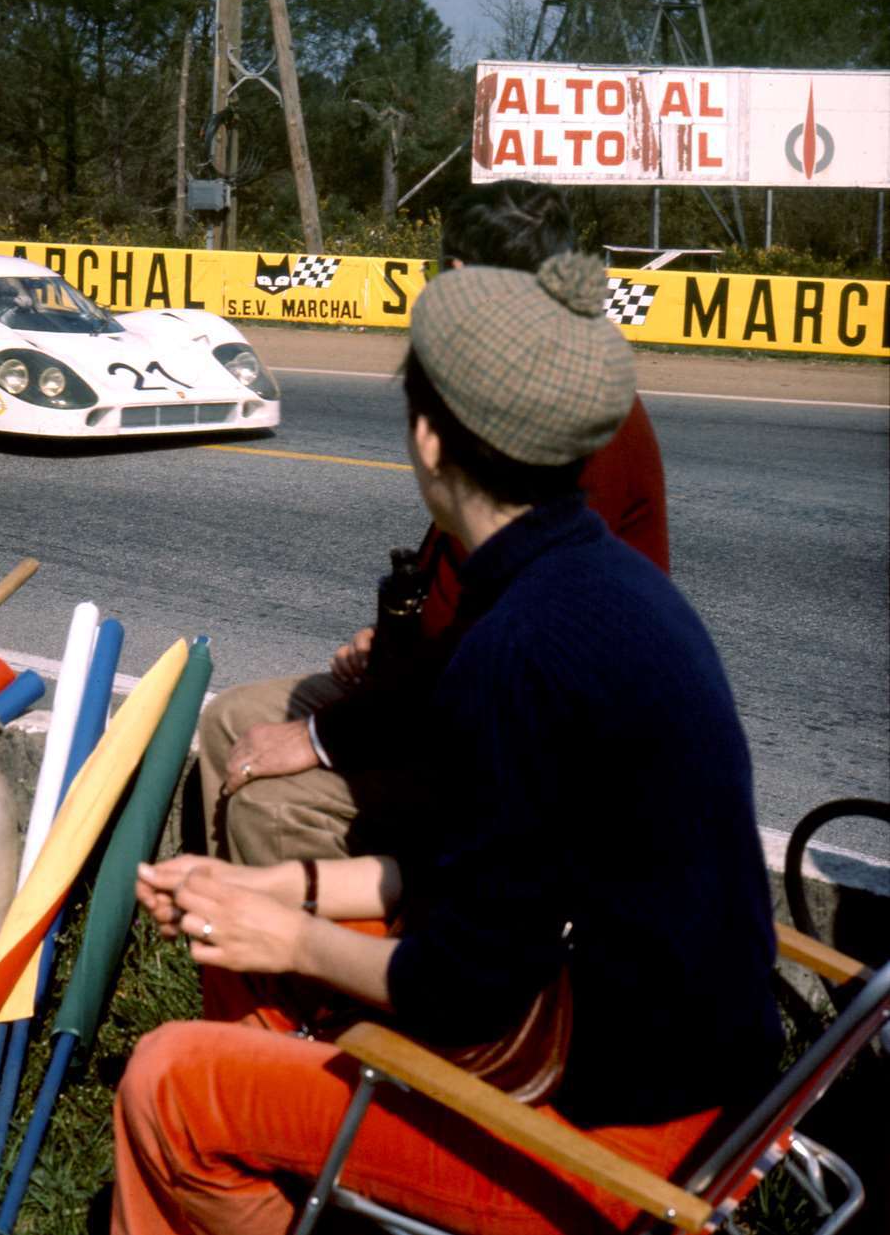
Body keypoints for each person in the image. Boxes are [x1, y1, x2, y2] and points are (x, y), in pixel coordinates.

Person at [111, 251, 783, 1235]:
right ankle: (304, 1156)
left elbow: (466, 985)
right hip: (676, 1063)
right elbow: (473, 879)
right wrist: (274, 892)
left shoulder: (513, 649)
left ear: (430, 437)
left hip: (613, 1136)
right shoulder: (603, 586)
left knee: (165, 1081)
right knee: (236, 961)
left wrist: (292, 932)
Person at [194, 180, 669, 866]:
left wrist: (324, 738)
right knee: (229, 720)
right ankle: (232, 947)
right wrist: (394, 640)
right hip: (466, 692)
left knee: (273, 805)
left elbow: (508, 664)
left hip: (542, 749)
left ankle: (353, 957)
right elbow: (468, 594)